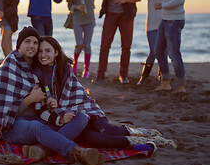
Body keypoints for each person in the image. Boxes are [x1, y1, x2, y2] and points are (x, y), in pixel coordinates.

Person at [0, 26, 104, 165]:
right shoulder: (8, 68)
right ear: (19, 45)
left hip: (38, 118)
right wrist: (30, 99)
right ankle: (78, 152)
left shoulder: (33, 67)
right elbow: (4, 113)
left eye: (35, 43)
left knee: (81, 117)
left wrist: (58, 114)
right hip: (12, 126)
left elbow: (42, 107)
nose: (31, 45)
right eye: (27, 41)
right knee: (37, 127)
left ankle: (42, 150)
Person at [33, 36, 177, 150]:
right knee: (95, 140)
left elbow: (75, 94)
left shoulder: (64, 69)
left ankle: (142, 133)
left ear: (56, 52)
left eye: (47, 50)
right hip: (68, 119)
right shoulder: (37, 75)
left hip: (85, 108)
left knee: (105, 129)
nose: (43, 55)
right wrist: (55, 112)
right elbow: (41, 110)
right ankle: (143, 144)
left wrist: (60, 104)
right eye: (40, 51)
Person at [134, 0, 187, 92]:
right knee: (158, 51)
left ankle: (181, 86)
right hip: (165, 20)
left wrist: (162, 5)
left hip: (174, 20)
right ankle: (165, 82)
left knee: (174, 54)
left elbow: (180, 0)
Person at [85, 0, 141, 84]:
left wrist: (124, 0)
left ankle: (124, 76)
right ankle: (100, 75)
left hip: (126, 15)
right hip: (110, 15)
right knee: (104, 46)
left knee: (126, 47)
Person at [136, 0, 175, 85]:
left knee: (163, 53)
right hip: (152, 26)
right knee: (154, 51)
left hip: (166, 23)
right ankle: (144, 77)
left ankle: (162, 77)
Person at [66, 0, 96, 78]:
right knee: (79, 45)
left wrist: (94, 19)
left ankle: (86, 70)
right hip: (77, 20)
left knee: (87, 46)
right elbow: (70, 6)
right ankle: (74, 66)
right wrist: (77, 7)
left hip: (89, 20)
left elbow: (92, 4)